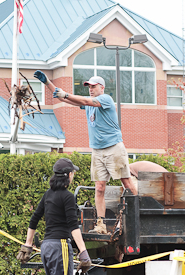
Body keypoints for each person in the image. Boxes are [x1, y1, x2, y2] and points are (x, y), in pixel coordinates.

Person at [33, 70, 136, 235]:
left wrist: (65, 93)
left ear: (102, 87)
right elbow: (65, 98)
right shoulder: (88, 104)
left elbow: (83, 99)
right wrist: (48, 83)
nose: (90, 88)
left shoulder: (105, 99)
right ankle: (101, 225)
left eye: (93, 86)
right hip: (97, 151)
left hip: (114, 148)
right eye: (88, 86)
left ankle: (139, 214)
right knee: (99, 187)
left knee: (127, 184)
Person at [15, 158, 92, 275]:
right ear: (68, 175)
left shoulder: (48, 195)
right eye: (73, 172)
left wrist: (28, 245)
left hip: (46, 248)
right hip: (59, 247)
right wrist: (83, 252)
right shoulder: (67, 197)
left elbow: (34, 219)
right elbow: (74, 227)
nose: (74, 175)